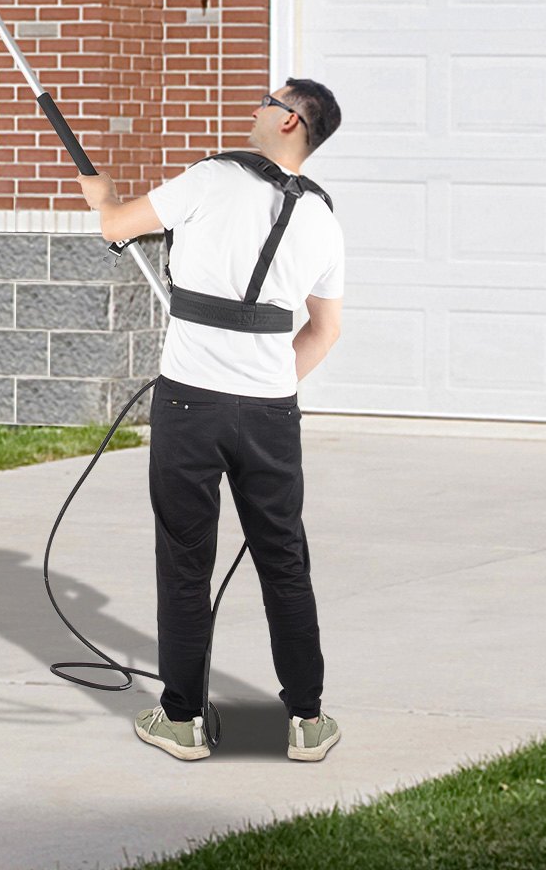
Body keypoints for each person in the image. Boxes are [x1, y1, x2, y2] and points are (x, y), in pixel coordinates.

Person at [78, 78, 345, 764]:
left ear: (291, 124)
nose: (257, 107)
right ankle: (307, 721)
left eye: (269, 100)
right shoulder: (323, 218)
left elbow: (116, 227)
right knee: (284, 560)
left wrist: (100, 194)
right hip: (269, 414)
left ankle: (182, 721)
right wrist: (273, 383)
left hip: (190, 405)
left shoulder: (210, 178)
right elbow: (325, 329)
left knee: (185, 563)